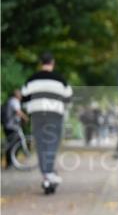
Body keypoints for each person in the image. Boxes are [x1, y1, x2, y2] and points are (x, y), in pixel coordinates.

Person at [21, 53, 73, 194]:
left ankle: (46, 175)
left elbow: (24, 97)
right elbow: (68, 98)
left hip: (37, 115)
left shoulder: (31, 80)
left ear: (40, 63)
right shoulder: (60, 80)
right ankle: (49, 174)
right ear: (52, 63)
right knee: (52, 144)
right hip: (54, 115)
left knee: (41, 144)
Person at [2, 88, 27, 168]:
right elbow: (18, 111)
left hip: (9, 126)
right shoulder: (14, 101)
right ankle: (10, 163)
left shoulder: (10, 101)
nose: (21, 95)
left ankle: (11, 162)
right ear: (16, 95)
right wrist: (25, 117)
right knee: (13, 144)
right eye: (19, 94)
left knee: (14, 143)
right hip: (12, 127)